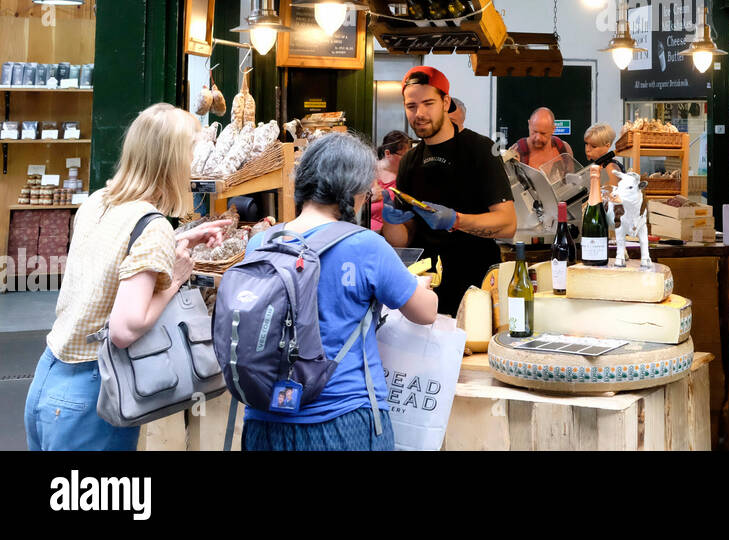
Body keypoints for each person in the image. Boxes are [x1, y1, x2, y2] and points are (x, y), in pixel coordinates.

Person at [25, 103, 228, 451]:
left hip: (49, 378)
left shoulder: (98, 201)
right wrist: (176, 279)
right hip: (95, 392)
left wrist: (179, 240)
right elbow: (124, 329)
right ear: (173, 161)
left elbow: (110, 257)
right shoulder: (152, 226)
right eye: (193, 151)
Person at [242, 132, 440, 451]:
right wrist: (418, 285)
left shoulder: (261, 243)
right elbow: (425, 313)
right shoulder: (365, 246)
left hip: (263, 420)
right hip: (343, 420)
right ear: (355, 191)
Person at [382, 66, 516, 314]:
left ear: (445, 102)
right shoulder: (410, 160)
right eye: (411, 106)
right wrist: (389, 222)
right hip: (426, 290)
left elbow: (508, 224)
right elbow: (404, 238)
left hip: (476, 289)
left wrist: (457, 220)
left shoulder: (481, 150)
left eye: (428, 103)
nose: (419, 114)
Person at [369, 130, 411, 231]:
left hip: (389, 235)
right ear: (387, 153)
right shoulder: (367, 170)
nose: (408, 160)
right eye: (404, 156)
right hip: (362, 230)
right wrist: (368, 198)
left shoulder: (405, 178)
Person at [583, 122, 623, 189]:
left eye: (594, 146)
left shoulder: (610, 168)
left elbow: (612, 197)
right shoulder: (599, 165)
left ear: (607, 146)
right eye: (586, 144)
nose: (587, 149)